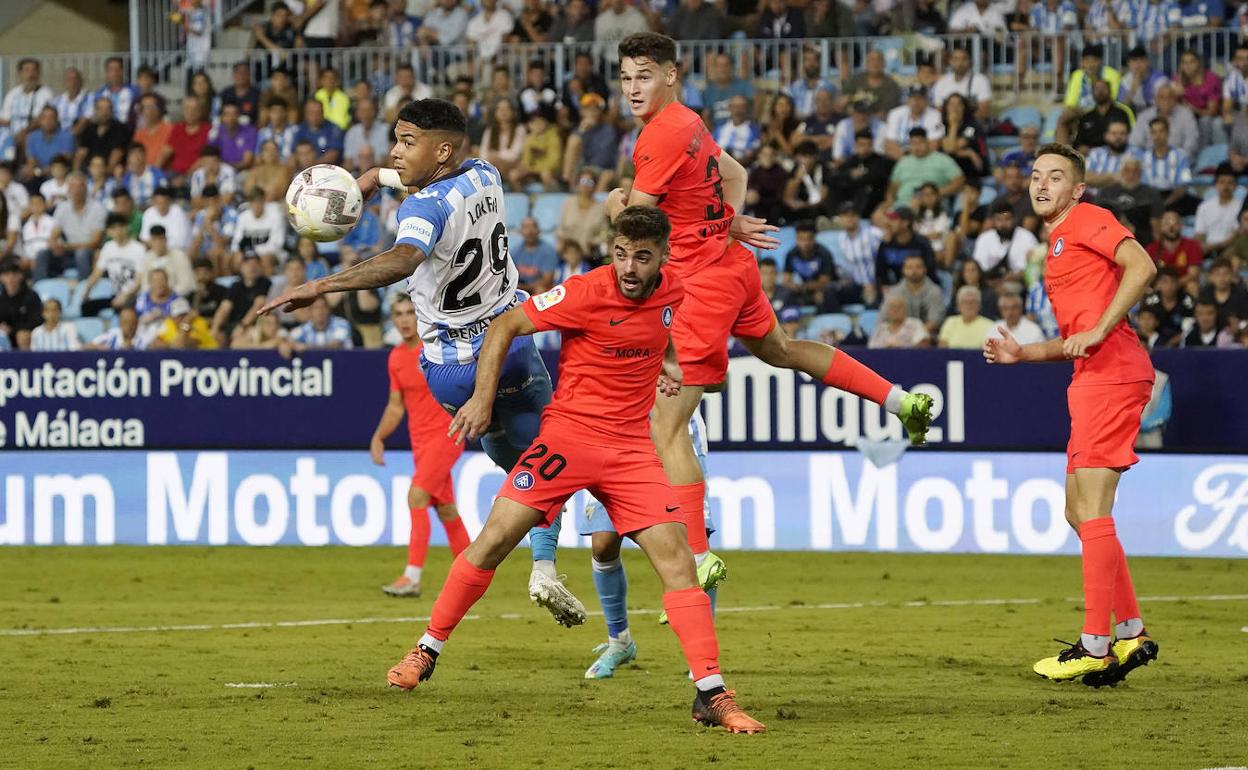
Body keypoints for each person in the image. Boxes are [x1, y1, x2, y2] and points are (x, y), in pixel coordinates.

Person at [395, 205, 766, 735]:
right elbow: (505, 325)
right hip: (567, 439)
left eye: (642, 256)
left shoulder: (677, 290)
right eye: (620, 254)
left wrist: (670, 367)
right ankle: (426, 650)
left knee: (679, 563)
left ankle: (711, 694)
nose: (630, 268)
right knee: (495, 539)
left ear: (663, 256)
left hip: (631, 450)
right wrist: (481, 399)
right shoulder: (584, 292)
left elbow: (665, 330)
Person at [606, 33, 934, 605]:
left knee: (666, 425)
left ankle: (699, 557)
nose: (634, 88)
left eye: (644, 76)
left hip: (700, 288)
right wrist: (722, 224)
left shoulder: (657, 136)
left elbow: (635, 222)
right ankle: (900, 402)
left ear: (671, 76)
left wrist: (614, 199)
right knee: (781, 349)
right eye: (626, 77)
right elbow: (731, 175)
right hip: (734, 267)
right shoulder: (688, 120)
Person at [261, 99, 586, 628]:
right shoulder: (486, 174)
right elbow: (423, 178)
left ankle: (502, 572)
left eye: (407, 141)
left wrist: (321, 285)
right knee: (545, 464)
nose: (395, 150)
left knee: (515, 464)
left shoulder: (421, 210)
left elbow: (404, 259)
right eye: (396, 139)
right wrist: (372, 176)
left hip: (454, 371)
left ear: (440, 149)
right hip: (514, 349)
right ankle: (545, 566)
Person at [984, 142, 1159, 685]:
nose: (1041, 185)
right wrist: (1024, 353)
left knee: (1093, 506)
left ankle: (1094, 643)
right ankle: (1130, 632)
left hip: (1113, 373)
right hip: (1094, 375)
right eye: (1036, 176)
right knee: (1078, 512)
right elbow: (1074, 339)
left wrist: (1104, 328)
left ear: (1077, 189)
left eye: (1055, 177)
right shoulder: (1058, 238)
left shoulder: (1086, 218)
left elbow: (1143, 265)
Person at [371, 295, 470, 597]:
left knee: (416, 497)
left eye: (409, 312)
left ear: (420, 315)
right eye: (398, 314)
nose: (403, 320)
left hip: (448, 433)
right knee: (446, 510)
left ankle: (411, 577)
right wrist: (379, 436)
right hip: (421, 443)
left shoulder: (438, 349)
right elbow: (395, 406)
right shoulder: (396, 358)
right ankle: (473, 573)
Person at [81, 214, 146, 316]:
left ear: (127, 227)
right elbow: (97, 273)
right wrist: (87, 289)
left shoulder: (138, 248)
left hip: (133, 295)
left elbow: (139, 280)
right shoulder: (108, 247)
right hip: (115, 295)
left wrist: (125, 296)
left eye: (121, 226)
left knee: (123, 307)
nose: (118, 231)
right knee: (86, 307)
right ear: (108, 232)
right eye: (113, 228)